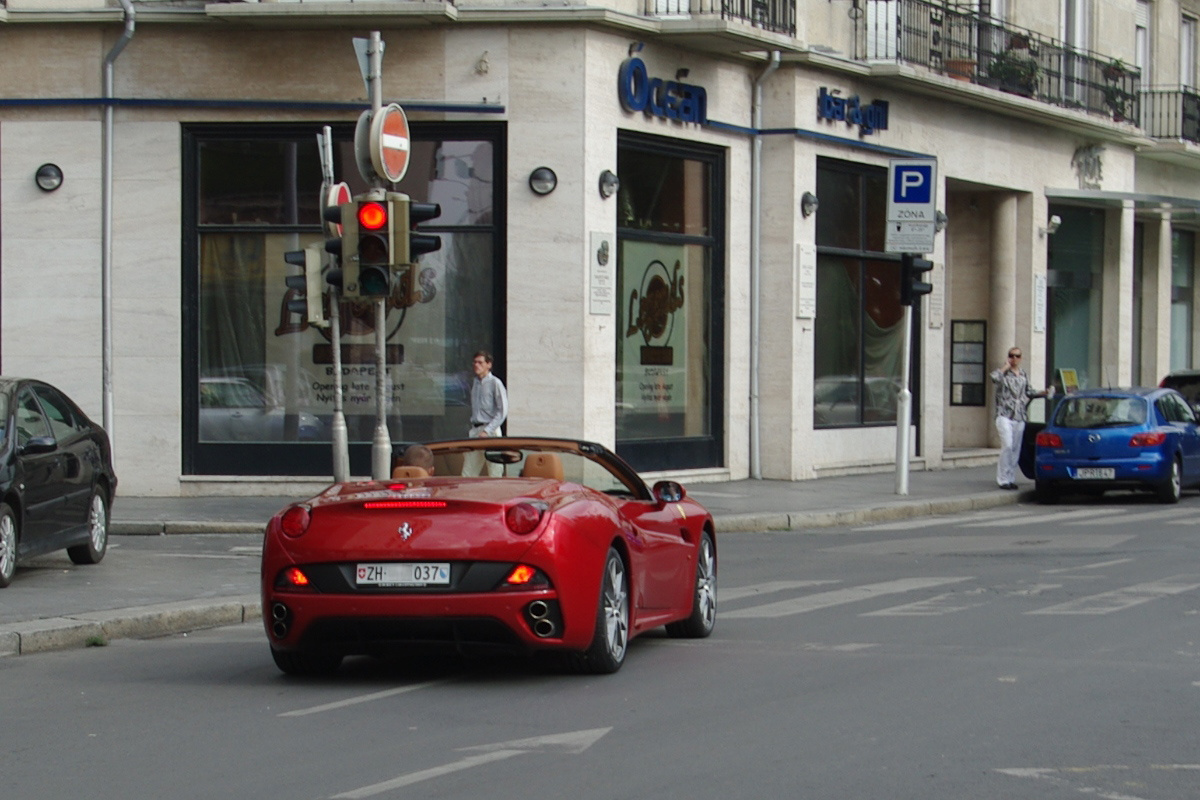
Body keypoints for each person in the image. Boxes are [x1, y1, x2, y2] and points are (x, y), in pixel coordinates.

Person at [991, 347, 1053, 490]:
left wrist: (1043, 392)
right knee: (1007, 445)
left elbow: (1028, 392)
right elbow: (994, 378)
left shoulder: (1023, 374)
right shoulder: (1003, 373)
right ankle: (1002, 479)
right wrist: (1005, 366)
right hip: (1004, 414)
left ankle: (1010, 478)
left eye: (1017, 356)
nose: (1014, 359)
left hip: (1019, 415)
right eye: (1011, 356)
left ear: (1021, 358)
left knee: (1015, 448)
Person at [461, 350, 508, 477]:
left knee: (494, 471)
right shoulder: (475, 383)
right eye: (475, 362)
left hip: (490, 431)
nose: (477, 365)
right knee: (468, 472)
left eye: (480, 362)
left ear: (489, 365)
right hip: (476, 430)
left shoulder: (495, 383)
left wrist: (487, 431)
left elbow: (502, 411)